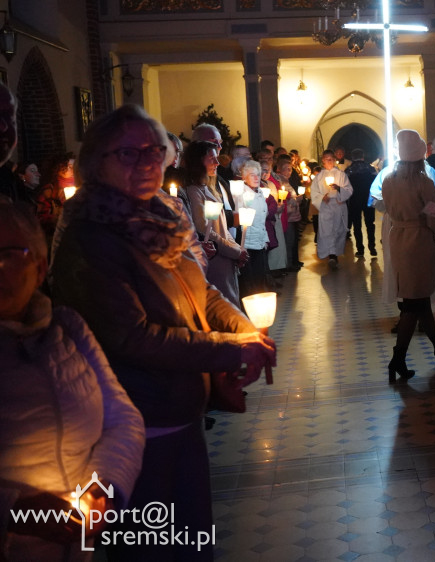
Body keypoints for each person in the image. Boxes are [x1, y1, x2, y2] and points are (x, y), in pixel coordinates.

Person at [48, 104, 275, 560]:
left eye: (154, 149)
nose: (148, 161)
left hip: (179, 406)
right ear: (97, 161)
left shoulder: (163, 216)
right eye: (128, 153)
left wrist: (244, 331)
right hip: (134, 419)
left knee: (191, 544)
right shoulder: (90, 235)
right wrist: (226, 350)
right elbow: (132, 338)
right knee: (153, 547)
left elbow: (202, 291)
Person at [0, 202, 145, 561]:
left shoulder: (67, 328)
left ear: (40, 267)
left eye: (10, 253)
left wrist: (103, 486)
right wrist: (14, 509)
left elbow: (123, 419)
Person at [379, 130, 435, 381]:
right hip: (418, 240)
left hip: (398, 238)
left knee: (417, 297)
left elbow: (386, 208)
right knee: (414, 302)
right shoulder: (423, 181)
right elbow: (434, 215)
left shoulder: (389, 180)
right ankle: (397, 359)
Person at [183, 140, 246, 307]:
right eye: (212, 158)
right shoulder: (194, 192)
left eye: (217, 158)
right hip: (216, 259)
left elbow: (223, 229)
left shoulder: (208, 189)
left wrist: (238, 249)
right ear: (198, 161)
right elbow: (205, 230)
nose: (217, 163)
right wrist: (234, 251)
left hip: (226, 257)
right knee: (225, 305)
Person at [310, 151, 353, 267]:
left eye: (331, 159)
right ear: (322, 160)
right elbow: (313, 192)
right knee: (327, 231)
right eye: (326, 159)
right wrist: (321, 197)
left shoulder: (341, 174)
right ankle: (331, 255)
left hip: (338, 205)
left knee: (338, 230)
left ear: (334, 160)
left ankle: (335, 253)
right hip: (326, 206)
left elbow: (349, 189)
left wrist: (339, 189)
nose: (329, 161)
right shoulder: (319, 176)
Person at [237, 159, 271, 296]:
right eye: (252, 175)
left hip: (260, 243)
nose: (257, 177)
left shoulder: (260, 193)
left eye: (258, 174)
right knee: (249, 282)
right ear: (244, 177)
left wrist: (265, 239)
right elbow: (241, 219)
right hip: (247, 244)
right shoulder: (240, 194)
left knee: (260, 279)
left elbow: (262, 219)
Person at [346, 148, 378, 258]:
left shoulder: (349, 170)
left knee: (357, 225)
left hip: (354, 200)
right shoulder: (371, 168)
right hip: (368, 199)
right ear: (363, 157)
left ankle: (360, 250)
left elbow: (346, 187)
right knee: (370, 224)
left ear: (352, 158)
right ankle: (372, 247)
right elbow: (376, 183)